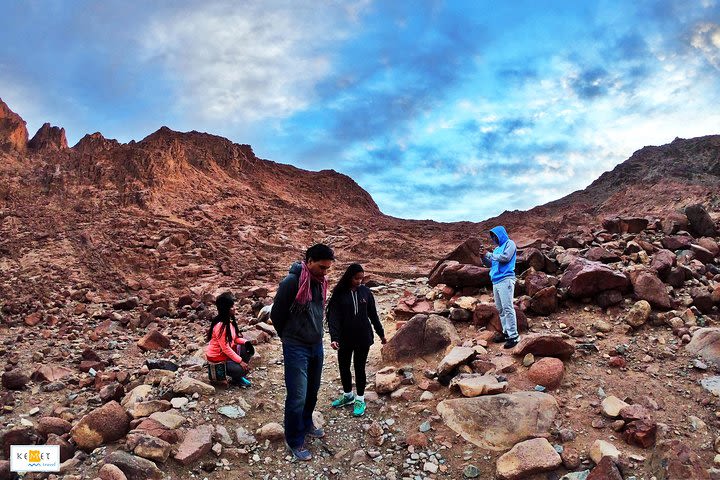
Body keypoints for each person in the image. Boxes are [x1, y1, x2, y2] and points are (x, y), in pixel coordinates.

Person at [271, 244, 335, 461]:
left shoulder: (319, 282)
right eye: (321, 267)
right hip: (296, 346)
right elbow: (277, 314)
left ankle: (306, 423)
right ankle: (295, 440)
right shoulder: (292, 282)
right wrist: (289, 336)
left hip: (316, 344)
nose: (324, 272)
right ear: (309, 261)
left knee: (312, 391)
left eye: (327, 268)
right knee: (297, 395)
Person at [327, 263, 386, 417]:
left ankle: (360, 399)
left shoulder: (366, 292)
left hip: (363, 338)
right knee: (344, 367)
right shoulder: (339, 293)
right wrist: (334, 337)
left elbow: (373, 315)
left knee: (359, 367)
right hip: (345, 338)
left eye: (361, 278)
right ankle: (348, 396)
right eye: (356, 278)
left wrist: (381, 334)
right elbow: (333, 317)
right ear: (349, 277)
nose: (359, 281)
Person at [480, 226, 519, 348]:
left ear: (500, 234)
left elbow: (506, 258)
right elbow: (492, 264)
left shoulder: (510, 243)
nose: (493, 238)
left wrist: (489, 254)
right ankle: (506, 333)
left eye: (495, 236)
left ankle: (514, 336)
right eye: (492, 236)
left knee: (508, 308)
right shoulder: (496, 249)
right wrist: (483, 257)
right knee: (501, 309)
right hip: (496, 281)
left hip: (506, 279)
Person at [205, 292, 253, 387]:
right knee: (241, 369)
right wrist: (240, 361)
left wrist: (246, 342)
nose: (234, 308)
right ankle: (237, 376)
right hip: (218, 358)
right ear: (226, 309)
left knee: (246, 348)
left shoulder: (229, 321)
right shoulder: (220, 325)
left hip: (224, 355)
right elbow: (225, 348)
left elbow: (234, 339)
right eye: (231, 307)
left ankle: (237, 375)